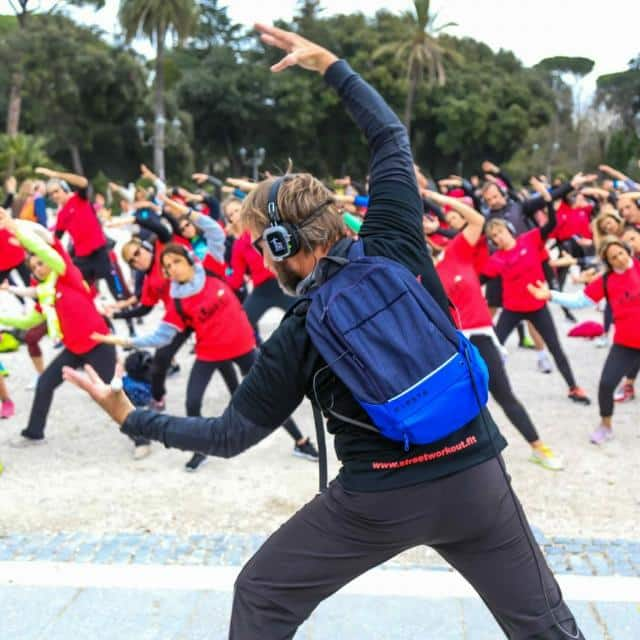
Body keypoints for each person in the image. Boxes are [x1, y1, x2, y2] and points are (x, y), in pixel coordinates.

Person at [64, 25, 584, 639]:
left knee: (261, 594)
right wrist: (333, 65)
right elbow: (389, 135)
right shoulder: (395, 239)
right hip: (478, 478)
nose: (260, 258)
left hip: (376, 502)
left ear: (282, 243)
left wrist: (130, 416)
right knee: (547, 628)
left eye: (261, 245)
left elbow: (229, 436)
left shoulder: (303, 327)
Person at [426, 190, 564, 470]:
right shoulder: (419, 277)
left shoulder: (457, 254)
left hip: (478, 335)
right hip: (447, 345)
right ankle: (451, 462)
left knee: (503, 394)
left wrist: (435, 197)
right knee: (450, 404)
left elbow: (476, 220)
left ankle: (538, 447)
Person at [481, 189, 591, 405]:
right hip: (512, 308)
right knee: (493, 346)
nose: (497, 238)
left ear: (508, 230)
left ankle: (573, 387)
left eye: (499, 233)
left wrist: (549, 202)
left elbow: (551, 225)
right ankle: (479, 389)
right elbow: (479, 280)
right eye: (493, 237)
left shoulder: (530, 239)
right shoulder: (496, 259)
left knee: (556, 347)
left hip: (537, 305)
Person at [528, 236, 640, 444]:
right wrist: (550, 295)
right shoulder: (607, 281)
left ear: (628, 251)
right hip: (626, 343)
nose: (619, 259)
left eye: (621, 253)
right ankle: (606, 426)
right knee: (606, 384)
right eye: (613, 257)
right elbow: (579, 301)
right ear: (608, 262)